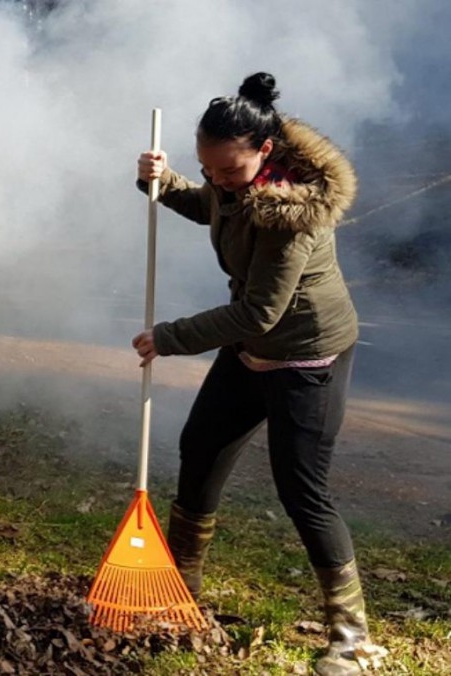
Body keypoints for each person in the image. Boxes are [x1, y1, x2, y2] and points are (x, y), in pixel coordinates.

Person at [132, 73, 383, 676]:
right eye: (207, 167)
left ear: (265, 153)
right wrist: (163, 182)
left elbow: (259, 310)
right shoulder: (233, 182)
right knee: (201, 448)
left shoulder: (293, 212)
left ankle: (353, 639)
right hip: (250, 349)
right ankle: (180, 591)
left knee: (303, 493)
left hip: (306, 356)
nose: (217, 180)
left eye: (228, 171)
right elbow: (209, 206)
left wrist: (169, 338)